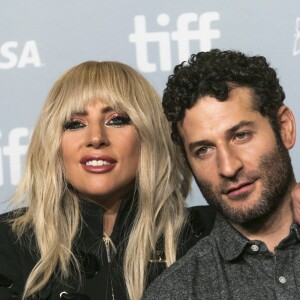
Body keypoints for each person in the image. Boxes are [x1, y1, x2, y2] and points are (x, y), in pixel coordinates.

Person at [0, 61, 216, 300]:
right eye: (75, 124)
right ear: (53, 142)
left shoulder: (210, 233)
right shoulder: (8, 242)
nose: (95, 138)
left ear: (149, 133)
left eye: (117, 120)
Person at [143, 49, 300, 299]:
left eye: (241, 136)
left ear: (284, 128)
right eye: (204, 150)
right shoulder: (177, 292)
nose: (227, 167)